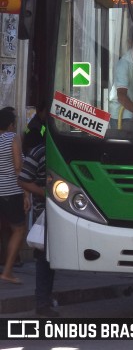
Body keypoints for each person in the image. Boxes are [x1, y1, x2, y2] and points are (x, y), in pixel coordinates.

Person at [18, 139, 56, 316]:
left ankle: (45, 298)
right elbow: (24, 180)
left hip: (63, 211)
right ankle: (42, 301)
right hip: (45, 212)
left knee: (50, 258)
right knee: (45, 258)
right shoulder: (39, 152)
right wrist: (46, 194)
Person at [0, 106, 27, 284]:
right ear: (11, 124)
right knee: (18, 229)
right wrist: (27, 193)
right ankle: (7, 271)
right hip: (11, 190)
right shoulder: (12, 138)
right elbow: (18, 167)